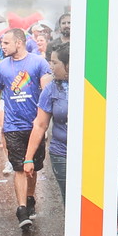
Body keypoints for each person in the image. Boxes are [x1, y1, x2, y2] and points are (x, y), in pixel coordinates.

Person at [0, 26, 53, 234]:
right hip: (13, 126)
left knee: (31, 167)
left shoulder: (38, 63)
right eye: (1, 43)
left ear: (19, 42)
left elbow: (47, 92)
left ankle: (30, 198)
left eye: (6, 43)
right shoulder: (0, 68)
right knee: (18, 167)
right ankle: (22, 209)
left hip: (34, 126)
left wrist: (45, 122)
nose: (2, 47)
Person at [30, 39, 74, 205]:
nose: (50, 67)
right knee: (70, 201)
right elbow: (40, 124)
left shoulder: (93, 88)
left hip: (91, 155)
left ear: (68, 65)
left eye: (55, 63)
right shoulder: (51, 88)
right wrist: (28, 158)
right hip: (61, 154)